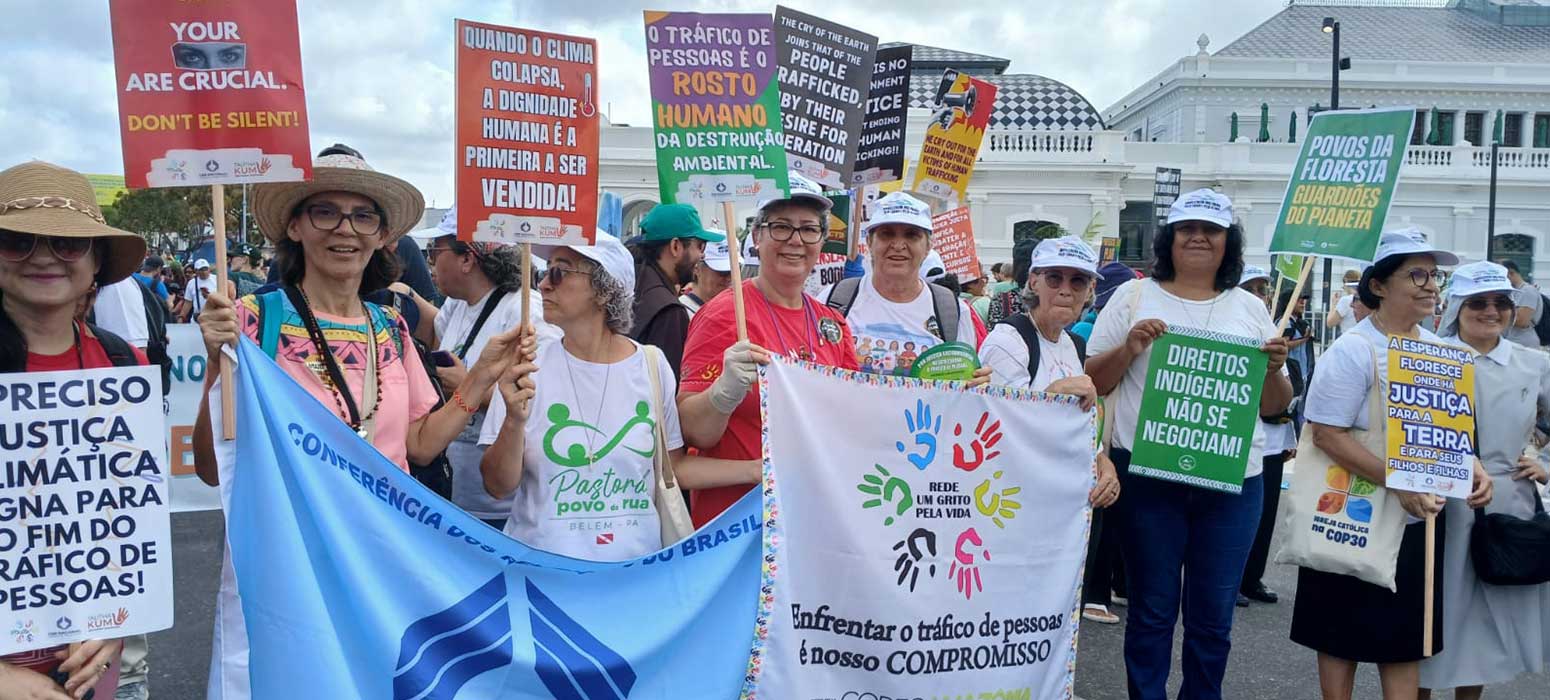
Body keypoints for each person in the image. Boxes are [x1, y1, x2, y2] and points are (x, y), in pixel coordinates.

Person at [193, 151, 525, 699]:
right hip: (288, 560)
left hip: (379, 559)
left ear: (382, 236)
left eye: (362, 216)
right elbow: (211, 469)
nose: (344, 229)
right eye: (325, 212)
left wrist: (484, 375)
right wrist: (214, 362)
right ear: (296, 227)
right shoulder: (251, 321)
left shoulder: (390, 327)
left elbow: (418, 446)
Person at [1085, 189, 1293, 699]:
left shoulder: (1249, 308)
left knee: (1212, 620)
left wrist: (1273, 368)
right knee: (1152, 612)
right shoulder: (1132, 298)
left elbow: (1275, 405)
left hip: (1233, 482)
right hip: (1150, 477)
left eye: (1212, 230)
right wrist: (1131, 347)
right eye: (1186, 229)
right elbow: (1092, 381)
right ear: (1168, 239)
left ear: (1228, 243)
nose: (1198, 237)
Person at [1290, 228, 1492, 700]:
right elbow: (1325, 434)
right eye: (1415, 274)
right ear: (1378, 286)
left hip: (1417, 519)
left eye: (1434, 275)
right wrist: (1396, 481)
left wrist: (1472, 468)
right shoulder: (1353, 350)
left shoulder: (1443, 353)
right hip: (1350, 514)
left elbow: (1448, 433)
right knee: (1338, 635)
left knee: (1403, 645)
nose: (1429, 285)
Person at [479, 232, 758, 559]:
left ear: (603, 290)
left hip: (635, 580)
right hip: (545, 576)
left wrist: (759, 470)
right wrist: (514, 421)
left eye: (559, 271)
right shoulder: (526, 367)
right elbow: (498, 486)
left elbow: (674, 467)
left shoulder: (651, 366)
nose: (543, 285)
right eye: (544, 272)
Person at [0, 161, 144, 700]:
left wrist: (119, 619)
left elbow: (127, 518)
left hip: (91, 665)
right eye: (17, 241)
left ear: (95, 261)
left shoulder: (121, 362)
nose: (42, 256)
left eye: (67, 243)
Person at [677, 176, 860, 526]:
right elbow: (693, 432)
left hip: (810, 524)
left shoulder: (833, 323)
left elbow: (851, 419)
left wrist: (954, 393)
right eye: (781, 227)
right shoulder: (724, 315)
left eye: (809, 229)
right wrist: (722, 395)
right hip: (741, 531)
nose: (795, 240)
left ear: (821, 242)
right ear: (757, 238)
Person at [1419, 261, 1550, 699]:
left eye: (1501, 302)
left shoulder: (1532, 364)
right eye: (1478, 302)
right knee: (1429, 615)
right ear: (1457, 305)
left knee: (1481, 628)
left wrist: (1544, 462)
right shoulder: (1426, 357)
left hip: (1505, 506)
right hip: (1435, 506)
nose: (1490, 311)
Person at [976, 235, 1121, 622]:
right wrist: (1056, 393)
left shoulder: (1072, 344)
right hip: (1014, 513)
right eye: (1054, 278)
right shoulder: (1009, 340)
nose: (1065, 289)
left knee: (1050, 620)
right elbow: (999, 432)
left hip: (1061, 511)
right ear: (1033, 283)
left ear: (1091, 290)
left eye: (1078, 281)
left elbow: (1082, 422)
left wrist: (1103, 463)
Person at [411, 208, 556, 529]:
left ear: (467, 259)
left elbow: (544, 400)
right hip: (453, 495)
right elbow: (434, 328)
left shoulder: (524, 311)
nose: (430, 261)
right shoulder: (456, 305)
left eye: (436, 250)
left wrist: (470, 385)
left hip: (500, 510)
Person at [819, 191, 986, 378]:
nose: (898, 245)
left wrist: (978, 384)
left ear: (928, 246)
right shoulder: (833, 300)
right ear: (869, 242)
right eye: (886, 234)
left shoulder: (953, 311)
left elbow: (962, 385)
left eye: (912, 235)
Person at [1237, 263, 1291, 608]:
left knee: (1264, 514)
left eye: (1264, 289)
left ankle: (1252, 577)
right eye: (1253, 288)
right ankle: (1234, 578)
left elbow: (1281, 391)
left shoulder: (1270, 329)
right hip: (1233, 440)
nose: (1261, 295)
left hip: (1270, 439)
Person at [631, 203, 725, 378]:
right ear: (675, 246)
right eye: (700, 246)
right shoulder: (668, 311)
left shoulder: (630, 281)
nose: (702, 255)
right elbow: (669, 389)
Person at [681, 236, 732, 317]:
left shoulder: (736, 311)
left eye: (734, 272)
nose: (730, 278)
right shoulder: (681, 314)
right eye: (723, 272)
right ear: (696, 269)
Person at [1500, 259, 1543, 349]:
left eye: (1501, 276)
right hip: (1512, 342)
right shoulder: (1512, 292)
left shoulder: (1527, 291)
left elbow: (1522, 321)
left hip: (1523, 344)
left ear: (1510, 273)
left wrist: (1499, 313)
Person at [1325, 269, 1362, 335]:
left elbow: (1330, 323)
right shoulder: (1365, 298)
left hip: (1349, 337)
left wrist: (1334, 303)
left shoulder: (1346, 300)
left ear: (1346, 281)